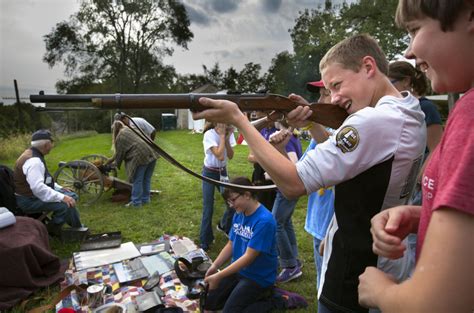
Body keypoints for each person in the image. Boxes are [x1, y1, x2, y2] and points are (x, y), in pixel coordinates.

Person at [193, 34, 426, 313]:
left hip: (352, 273)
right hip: (378, 258)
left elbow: (293, 183)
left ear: (368, 67)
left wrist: (239, 121)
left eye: (337, 85)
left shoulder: (374, 120)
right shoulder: (409, 110)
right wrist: (314, 119)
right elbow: (357, 159)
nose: (335, 98)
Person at [357, 1, 474, 312]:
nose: (408, 52)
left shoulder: (471, 115)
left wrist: (380, 290)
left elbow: (440, 302)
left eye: (415, 29)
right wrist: (424, 217)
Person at [203, 176, 278, 312]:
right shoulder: (239, 212)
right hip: (239, 270)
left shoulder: (264, 221)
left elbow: (249, 257)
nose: (231, 205)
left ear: (247, 195)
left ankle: (271, 299)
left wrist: (219, 275)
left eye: (233, 200)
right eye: (228, 201)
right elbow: (231, 244)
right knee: (209, 304)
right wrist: (215, 266)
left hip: (258, 277)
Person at [388, 60, 444, 205]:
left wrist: (418, 179)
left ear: (406, 81)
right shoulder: (394, 109)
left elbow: (436, 148)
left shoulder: (426, 107)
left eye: (390, 83)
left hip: (418, 182)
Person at [298, 80, 335, 292]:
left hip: (333, 226)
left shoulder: (349, 129)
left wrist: (311, 121)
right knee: (322, 285)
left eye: (326, 94)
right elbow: (299, 174)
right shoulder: (324, 130)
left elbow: (336, 148)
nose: (319, 101)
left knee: (330, 292)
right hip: (319, 221)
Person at [13, 129, 84, 235]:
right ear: (46, 145)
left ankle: (77, 227)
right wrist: (62, 197)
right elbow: (38, 188)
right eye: (51, 143)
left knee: (72, 195)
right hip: (28, 200)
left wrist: (59, 188)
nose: (52, 145)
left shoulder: (33, 154)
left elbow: (42, 179)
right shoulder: (34, 162)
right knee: (65, 205)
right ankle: (50, 230)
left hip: (32, 195)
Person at [267, 120, 303, 283]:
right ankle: (294, 260)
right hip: (288, 188)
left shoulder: (286, 141)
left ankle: (289, 265)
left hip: (286, 188)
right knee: (285, 222)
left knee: (276, 224)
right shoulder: (292, 137)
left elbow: (293, 166)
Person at [200, 122, 236, 251]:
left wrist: (226, 138)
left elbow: (230, 156)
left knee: (232, 203)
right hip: (209, 173)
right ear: (216, 122)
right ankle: (205, 240)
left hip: (222, 172)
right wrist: (221, 136)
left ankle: (224, 225)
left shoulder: (227, 134)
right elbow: (220, 156)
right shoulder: (209, 134)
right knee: (208, 207)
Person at [109, 120, 158, 207]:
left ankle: (136, 203)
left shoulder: (120, 136)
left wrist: (114, 164)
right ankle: (146, 199)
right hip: (152, 151)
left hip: (140, 155)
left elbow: (119, 154)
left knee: (137, 180)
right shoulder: (132, 129)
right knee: (146, 179)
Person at [247, 111, 278, 211]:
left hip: (271, 175)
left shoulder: (277, 132)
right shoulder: (261, 131)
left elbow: (277, 158)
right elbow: (250, 157)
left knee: (270, 207)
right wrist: (266, 157)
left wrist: (260, 157)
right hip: (259, 173)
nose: (261, 122)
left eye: (263, 118)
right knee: (257, 203)